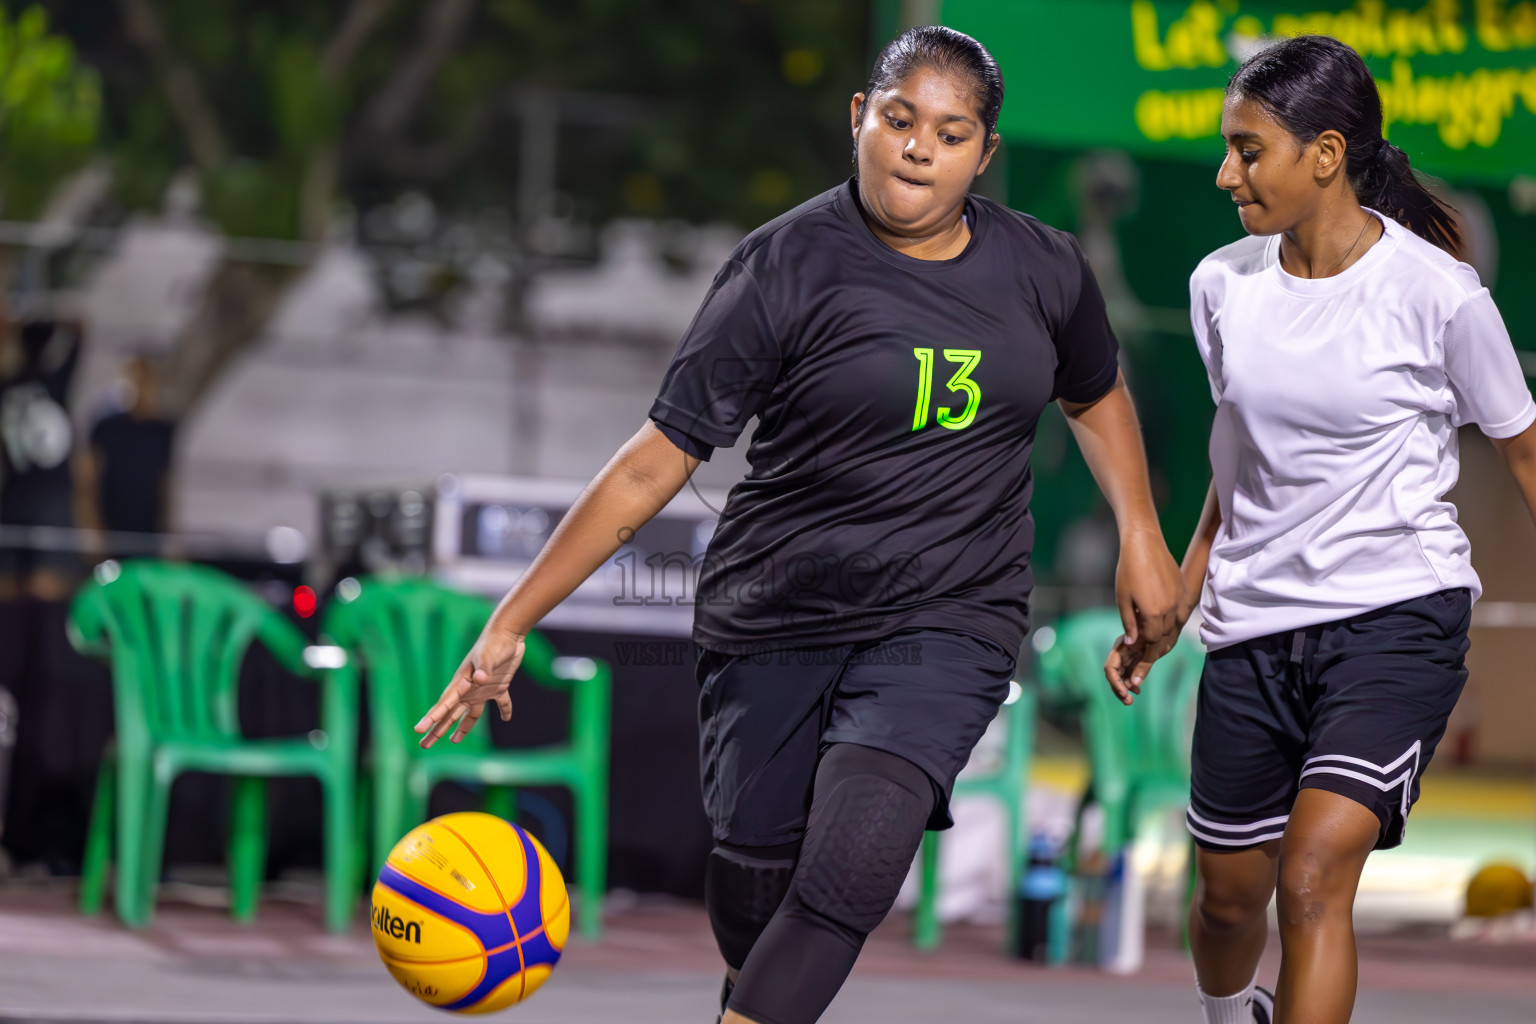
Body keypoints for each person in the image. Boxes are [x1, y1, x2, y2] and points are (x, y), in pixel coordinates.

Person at [417, 26, 1183, 1024]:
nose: (919, 148)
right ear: (860, 116)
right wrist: (511, 620)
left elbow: (1096, 393)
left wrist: (1141, 533)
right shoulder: (783, 265)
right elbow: (658, 457)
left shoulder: (1044, 270)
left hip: (949, 619)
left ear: (983, 154)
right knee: (757, 891)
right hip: (775, 615)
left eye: (950, 134)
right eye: (901, 120)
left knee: (855, 861)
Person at [1172, 35, 1536, 1024]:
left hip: (1395, 616)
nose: (1224, 172)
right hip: (1252, 626)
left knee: (1311, 875)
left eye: (1248, 150)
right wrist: (1185, 578)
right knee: (1226, 899)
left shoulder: (1439, 294)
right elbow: (1238, 453)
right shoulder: (1221, 288)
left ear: (1324, 154)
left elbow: (1526, 453)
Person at [77, 353, 177, 544]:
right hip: (111, 527)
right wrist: (91, 525)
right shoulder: (106, 427)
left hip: (149, 531)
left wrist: (169, 533)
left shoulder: (164, 430)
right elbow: (88, 481)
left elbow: (165, 483)